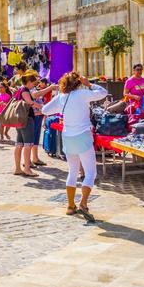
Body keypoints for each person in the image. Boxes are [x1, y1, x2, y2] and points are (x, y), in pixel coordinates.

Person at [42, 72, 107, 221]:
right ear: (78, 83)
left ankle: (70, 206)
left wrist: (59, 108)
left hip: (68, 137)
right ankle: (83, 203)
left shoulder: (61, 97)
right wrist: (89, 84)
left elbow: (45, 110)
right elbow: (103, 92)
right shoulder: (83, 94)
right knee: (90, 173)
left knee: (72, 172)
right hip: (83, 136)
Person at [13, 73, 42, 179]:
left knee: (19, 144)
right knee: (28, 144)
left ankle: (18, 168)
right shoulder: (25, 90)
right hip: (27, 119)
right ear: (29, 82)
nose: (34, 86)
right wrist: (42, 107)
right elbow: (29, 102)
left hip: (19, 120)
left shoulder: (19, 90)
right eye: (33, 83)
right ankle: (27, 169)